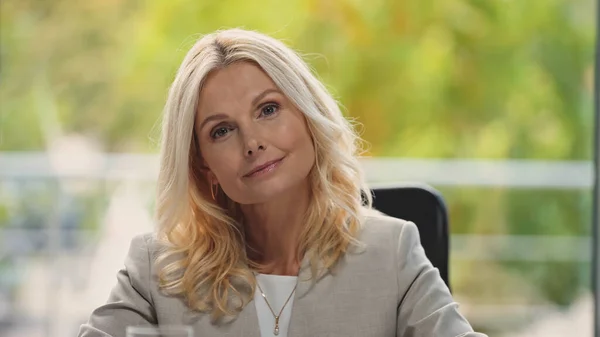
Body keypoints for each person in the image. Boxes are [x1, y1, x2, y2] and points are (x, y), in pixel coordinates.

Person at [78, 28, 487, 337]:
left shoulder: (391, 252)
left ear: (309, 117)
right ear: (202, 165)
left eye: (268, 109)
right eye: (221, 131)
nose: (252, 142)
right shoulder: (157, 269)